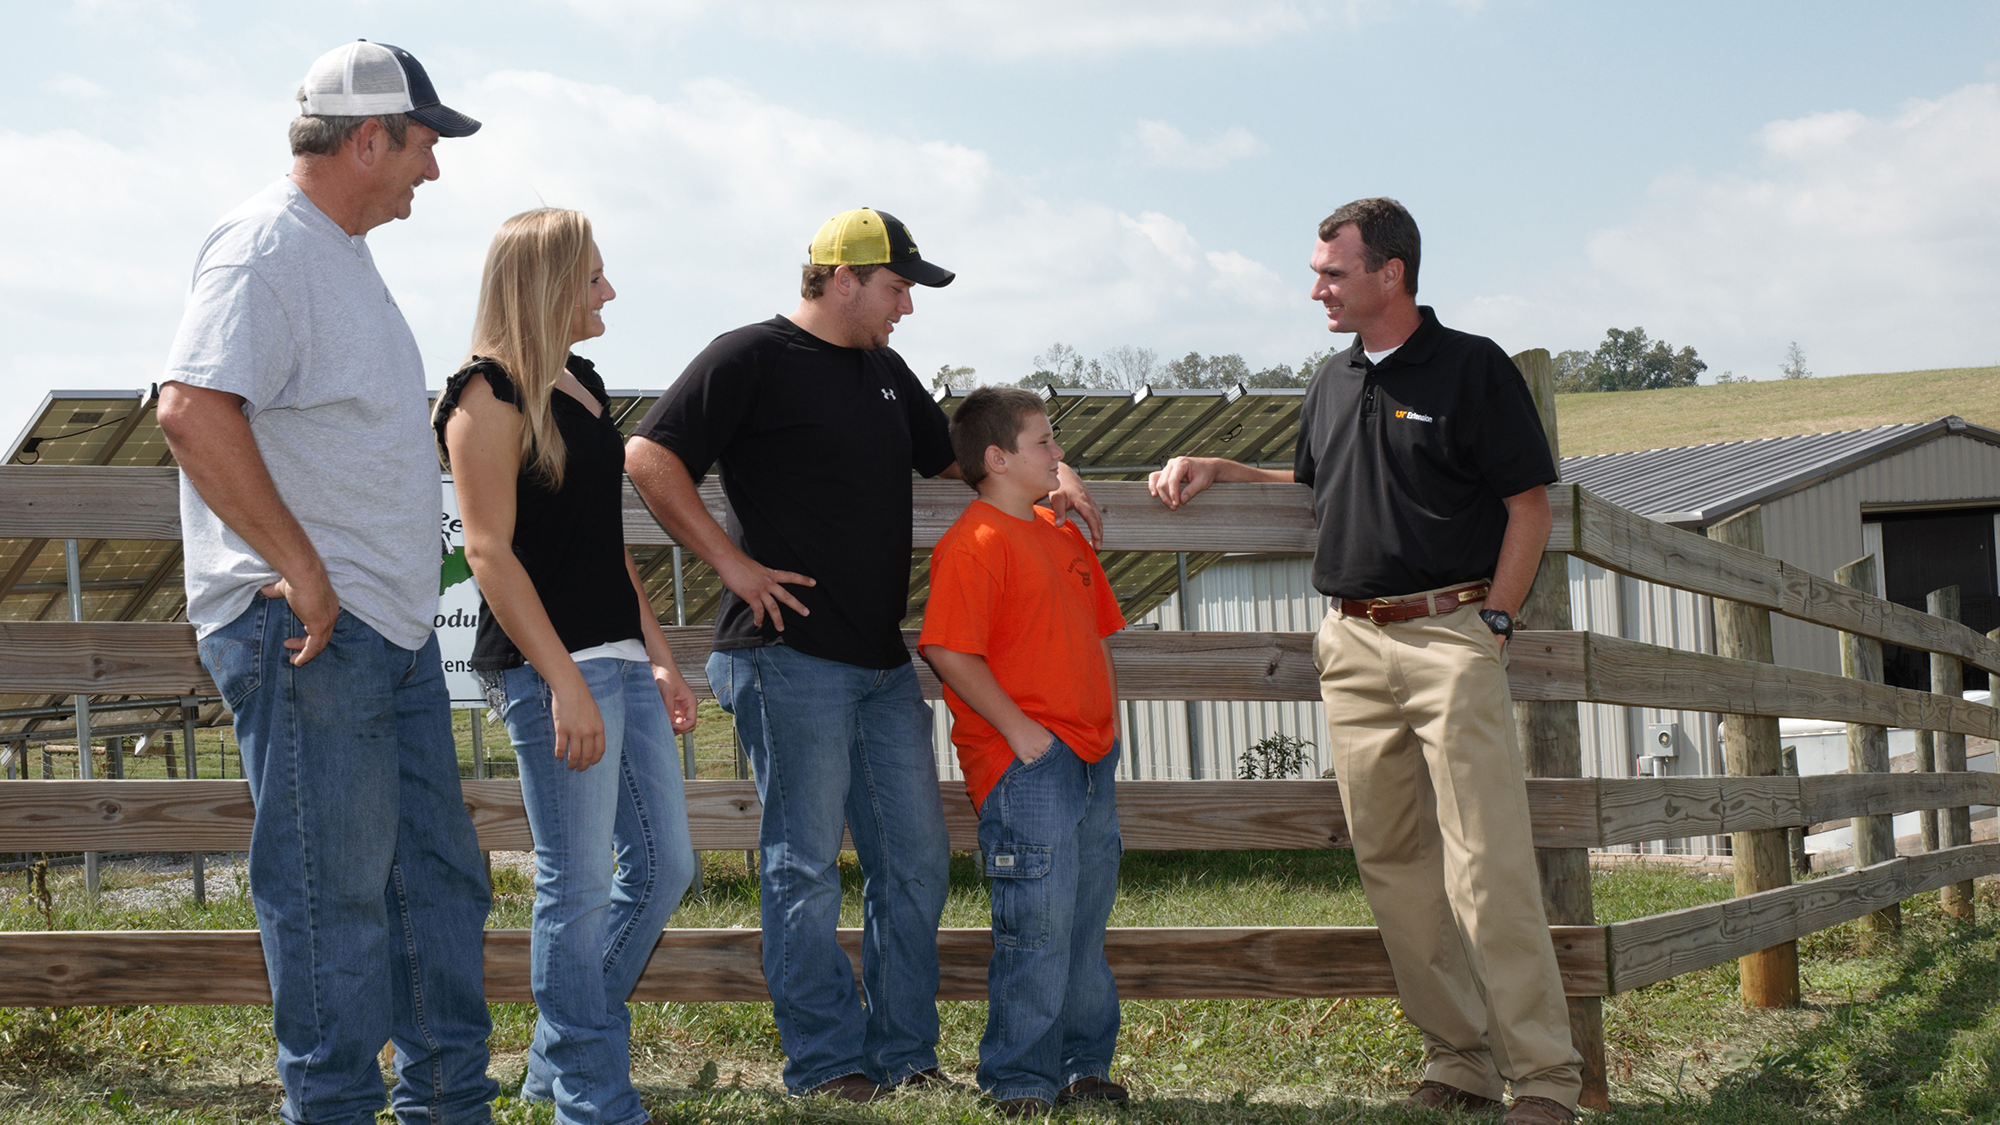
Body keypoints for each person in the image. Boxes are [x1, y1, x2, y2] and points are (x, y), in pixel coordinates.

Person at [622, 208, 1103, 1100]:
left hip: (881, 664)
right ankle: (826, 1061)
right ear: (842, 279)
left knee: (915, 862)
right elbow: (649, 453)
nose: (907, 308)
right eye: (897, 288)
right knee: (802, 866)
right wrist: (731, 562)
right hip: (784, 655)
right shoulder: (748, 356)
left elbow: (964, 458)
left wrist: (1057, 472)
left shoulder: (884, 371)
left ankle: (901, 1056)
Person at [1147, 198, 1581, 1125]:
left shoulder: (1472, 367)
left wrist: (1494, 624)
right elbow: (1317, 486)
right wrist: (1223, 467)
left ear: (1393, 272)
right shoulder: (1333, 379)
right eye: (1318, 271)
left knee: (1487, 863)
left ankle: (1544, 1078)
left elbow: (1529, 506)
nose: (1318, 289)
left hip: (1450, 635)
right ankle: (1457, 1059)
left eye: (1333, 273)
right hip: (1347, 642)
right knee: (1391, 861)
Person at [155, 40, 498, 1125]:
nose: (432, 173)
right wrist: (300, 571)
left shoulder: (336, 252)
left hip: (379, 633)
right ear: (367, 138)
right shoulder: (267, 247)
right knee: (332, 897)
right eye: (423, 146)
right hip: (312, 632)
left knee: (434, 884)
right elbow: (191, 409)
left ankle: (447, 1106)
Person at [435, 208, 698, 1125]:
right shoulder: (484, 395)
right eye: (593, 276)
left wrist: (660, 659)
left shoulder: (583, 383)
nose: (609, 292)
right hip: (551, 669)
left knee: (666, 869)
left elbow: (607, 546)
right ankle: (593, 1099)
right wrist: (564, 680)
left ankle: (557, 1055)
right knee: (576, 883)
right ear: (546, 283)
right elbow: (490, 555)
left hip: (620, 659)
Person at [917, 388, 1128, 1117]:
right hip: (1029, 764)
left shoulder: (1060, 535)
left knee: (1082, 925)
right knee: (1035, 927)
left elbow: (1094, 634)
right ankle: (1020, 1080)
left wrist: (1105, 729)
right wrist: (1018, 730)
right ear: (998, 459)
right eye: (1046, 443)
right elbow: (946, 647)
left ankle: (1083, 1066)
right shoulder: (973, 542)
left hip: (1092, 757)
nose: (1059, 454)